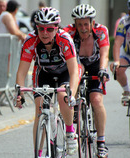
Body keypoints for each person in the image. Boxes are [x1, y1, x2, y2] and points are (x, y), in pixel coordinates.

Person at [16, 7, 82, 156]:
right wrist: (19, 93)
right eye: (41, 29)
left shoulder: (65, 39)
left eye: (50, 29)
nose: (45, 33)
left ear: (56, 28)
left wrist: (71, 95)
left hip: (64, 72)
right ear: (36, 28)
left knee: (63, 97)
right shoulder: (30, 41)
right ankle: (38, 153)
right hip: (43, 73)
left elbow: (73, 72)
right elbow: (21, 71)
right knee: (40, 111)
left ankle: (70, 132)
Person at [63, 4, 110, 158]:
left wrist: (103, 69)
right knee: (77, 71)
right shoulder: (68, 32)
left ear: (92, 22)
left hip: (96, 65)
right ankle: (75, 105)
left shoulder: (101, 31)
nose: (83, 28)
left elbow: (104, 53)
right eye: (79, 24)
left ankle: (101, 142)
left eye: (86, 24)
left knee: (96, 100)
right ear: (75, 24)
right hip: (77, 63)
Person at [110, 0, 130, 106]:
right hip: (127, 52)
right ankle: (126, 90)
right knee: (117, 69)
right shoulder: (124, 21)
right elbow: (117, 42)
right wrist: (117, 61)